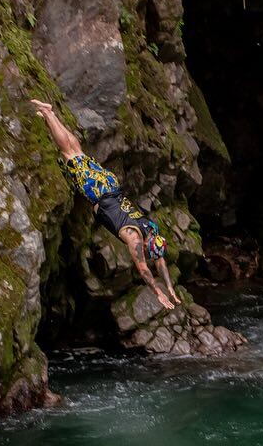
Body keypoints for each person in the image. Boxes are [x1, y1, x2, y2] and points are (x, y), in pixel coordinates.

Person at [31, 99, 180, 310]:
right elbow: (144, 270)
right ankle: (47, 113)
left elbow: (160, 261)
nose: (149, 254)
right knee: (69, 154)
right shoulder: (135, 239)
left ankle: (51, 116)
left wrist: (170, 287)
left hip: (110, 183)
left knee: (78, 152)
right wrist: (159, 292)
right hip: (98, 192)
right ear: (148, 245)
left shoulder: (152, 230)